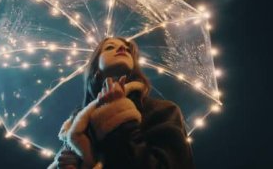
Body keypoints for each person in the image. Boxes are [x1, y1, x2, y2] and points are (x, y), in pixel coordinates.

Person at [48, 37, 194, 169]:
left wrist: (117, 115)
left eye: (127, 49)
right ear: (96, 70)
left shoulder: (163, 111)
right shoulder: (77, 127)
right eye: (110, 47)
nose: (123, 49)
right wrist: (72, 164)